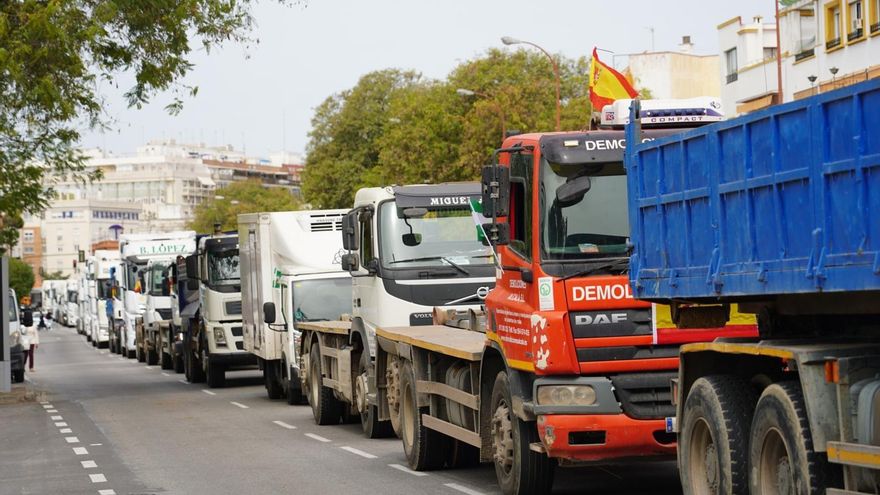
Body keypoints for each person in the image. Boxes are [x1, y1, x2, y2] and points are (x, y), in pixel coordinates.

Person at [20, 307, 39, 372]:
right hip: (25, 342)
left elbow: (36, 334)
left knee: (31, 354)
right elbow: (22, 333)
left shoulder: (33, 325)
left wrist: (37, 342)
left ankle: (31, 367)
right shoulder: (23, 325)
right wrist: (25, 326)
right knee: (25, 355)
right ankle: (23, 367)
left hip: (32, 341)